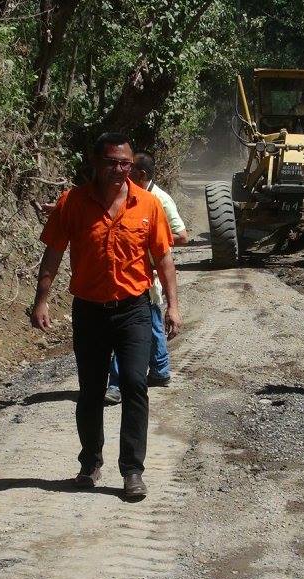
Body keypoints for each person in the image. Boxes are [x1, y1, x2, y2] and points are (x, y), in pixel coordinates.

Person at [31, 132, 182, 498]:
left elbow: (163, 258)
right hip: (89, 311)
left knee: (134, 384)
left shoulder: (147, 205)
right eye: (112, 162)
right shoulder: (72, 204)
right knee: (92, 390)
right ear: (96, 164)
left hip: (134, 310)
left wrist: (173, 305)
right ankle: (90, 462)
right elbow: (53, 253)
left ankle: (132, 470)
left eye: (125, 163)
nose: (119, 169)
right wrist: (42, 299)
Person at [105, 150, 189, 405]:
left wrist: (151, 241)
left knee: (128, 331)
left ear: (140, 174)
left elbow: (182, 235)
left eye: (129, 171)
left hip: (146, 276)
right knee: (150, 323)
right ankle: (161, 370)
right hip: (138, 275)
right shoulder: (132, 197)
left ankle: (117, 384)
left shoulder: (158, 200)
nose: (123, 175)